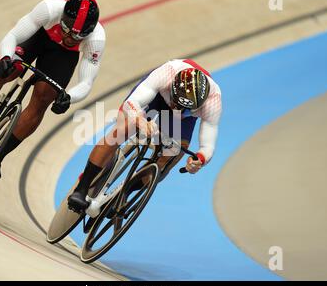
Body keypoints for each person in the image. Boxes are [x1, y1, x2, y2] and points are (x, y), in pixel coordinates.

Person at [0, 0, 105, 182]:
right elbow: (13, 36)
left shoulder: (97, 39)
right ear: (62, 17)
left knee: (43, 98)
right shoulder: (49, 9)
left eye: (79, 35)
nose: (70, 36)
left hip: (62, 56)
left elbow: (87, 82)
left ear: (89, 31)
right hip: (38, 38)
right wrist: (6, 57)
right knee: (8, 71)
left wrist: (69, 97)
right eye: (66, 28)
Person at [68, 58, 222, 212]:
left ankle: (123, 194)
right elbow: (131, 103)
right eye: (177, 104)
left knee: (173, 155)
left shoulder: (213, 101)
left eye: (186, 109)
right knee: (121, 131)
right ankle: (82, 187)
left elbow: (207, 145)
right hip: (157, 97)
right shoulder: (167, 72)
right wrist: (140, 121)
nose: (179, 109)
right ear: (173, 89)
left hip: (180, 121)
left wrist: (199, 160)